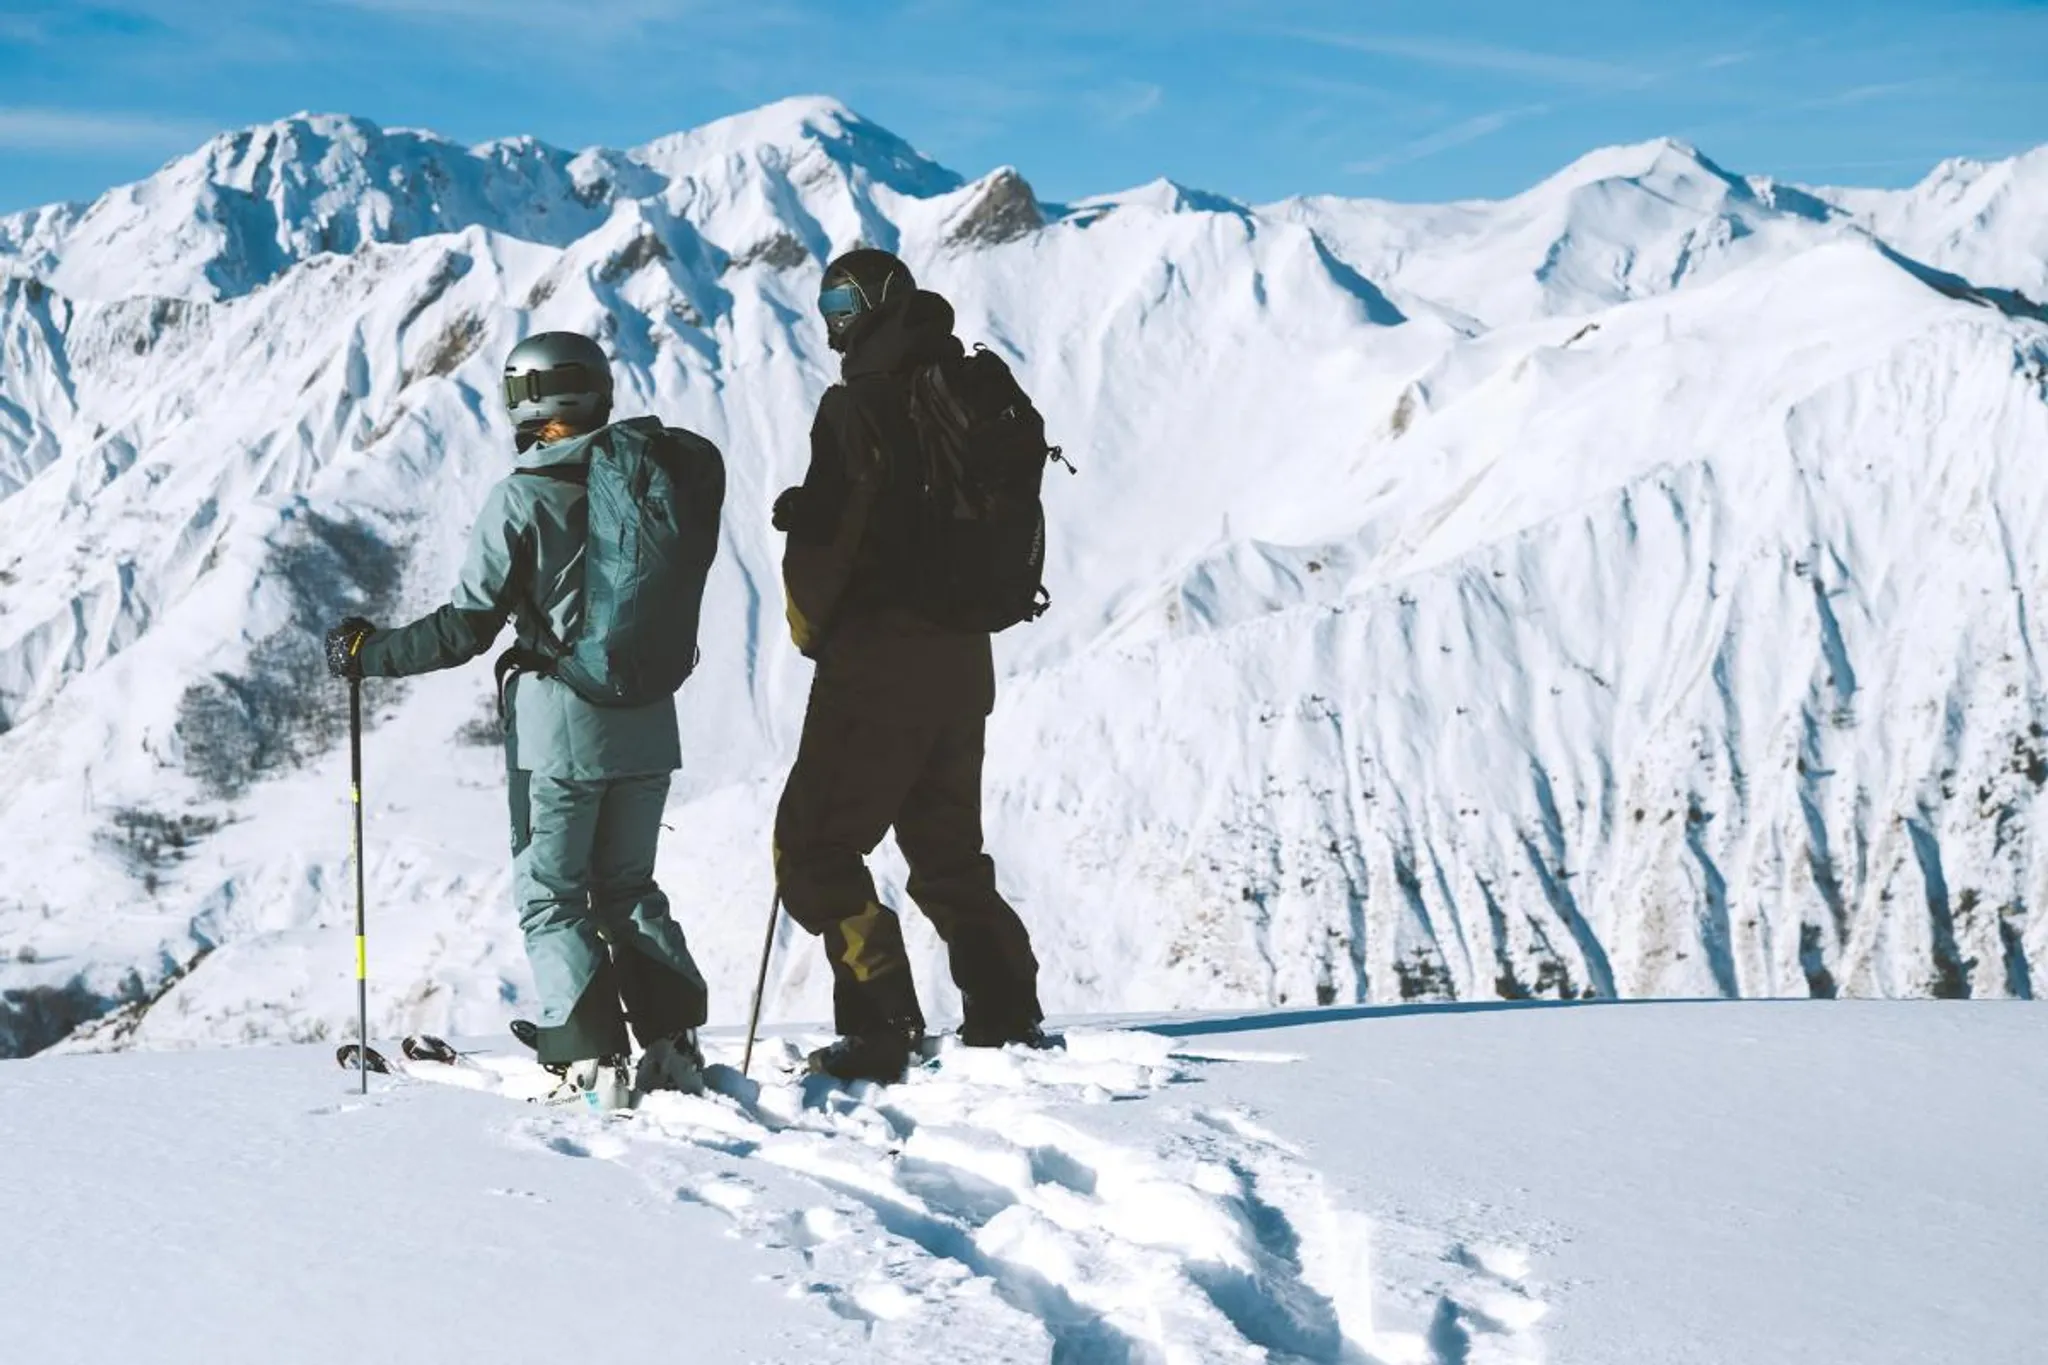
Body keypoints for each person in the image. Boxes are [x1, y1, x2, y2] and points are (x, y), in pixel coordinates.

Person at [325, 331, 724, 1110]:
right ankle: (672, 1045)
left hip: (562, 734)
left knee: (551, 892)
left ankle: (590, 1058)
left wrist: (368, 654)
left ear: (529, 401)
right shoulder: (653, 484)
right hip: (649, 726)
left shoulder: (525, 496)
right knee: (628, 886)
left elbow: (465, 628)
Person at [771, 248, 1046, 1084]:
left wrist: (813, 629)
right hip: (965, 660)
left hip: (878, 660)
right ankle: (1006, 1012)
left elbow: (833, 544)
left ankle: (881, 1019)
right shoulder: (964, 387)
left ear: (877, 303)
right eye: (824, 296)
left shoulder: (859, 405)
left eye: (843, 297)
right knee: (947, 851)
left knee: (813, 845)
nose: (831, 313)